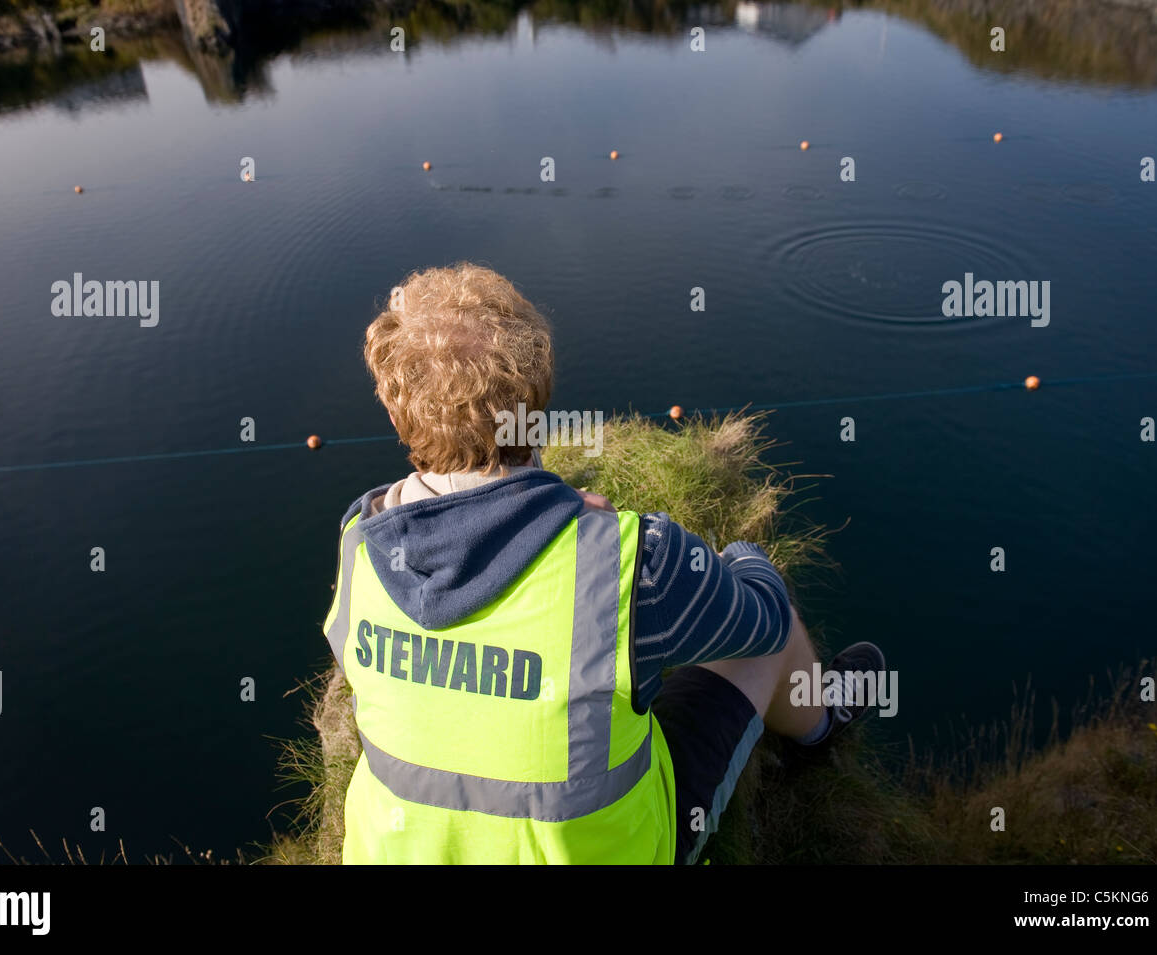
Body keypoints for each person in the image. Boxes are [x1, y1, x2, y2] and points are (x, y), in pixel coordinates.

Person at [322, 262, 886, 864]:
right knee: (771, 614)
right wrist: (735, 556)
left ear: (392, 405)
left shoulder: (362, 542)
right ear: (533, 402)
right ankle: (821, 727)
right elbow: (762, 621)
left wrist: (558, 516)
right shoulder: (628, 563)